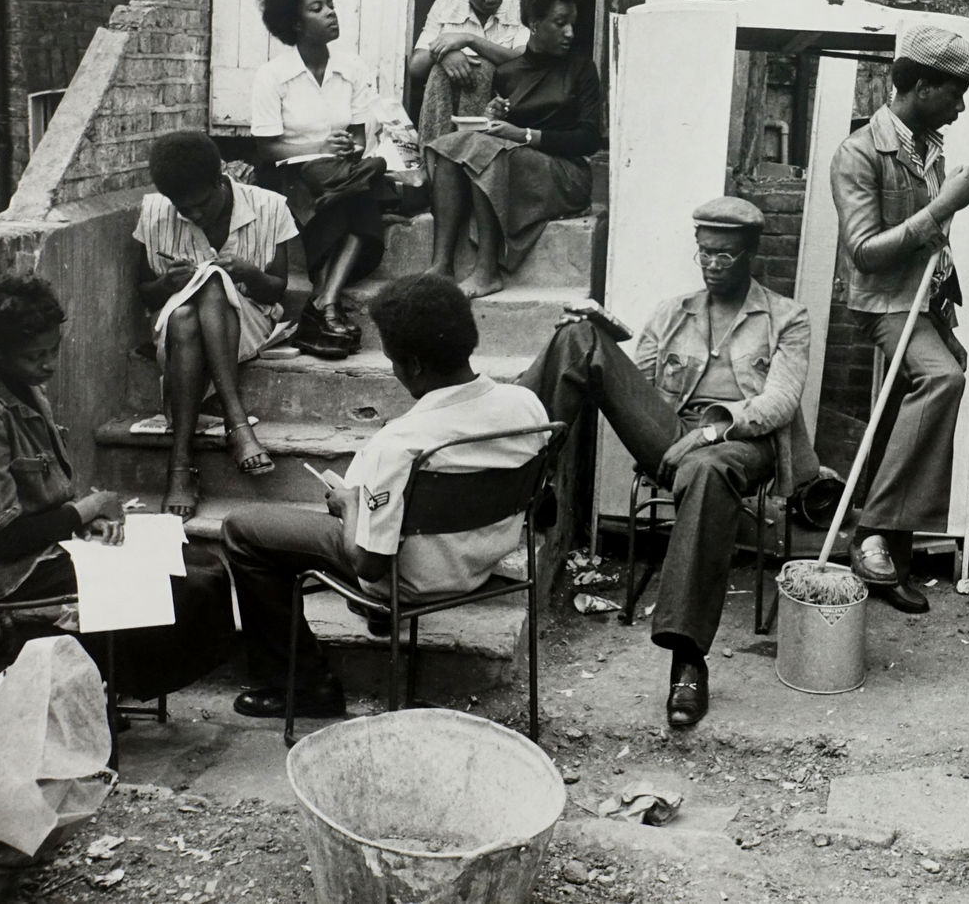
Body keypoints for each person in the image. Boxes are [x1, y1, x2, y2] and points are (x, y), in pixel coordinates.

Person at [517, 197, 817, 728]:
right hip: (675, 435)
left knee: (705, 469)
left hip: (742, 445)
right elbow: (636, 382)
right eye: (705, 253)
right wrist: (606, 332)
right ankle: (524, 469)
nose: (713, 264)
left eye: (726, 255)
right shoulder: (675, 311)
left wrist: (709, 431)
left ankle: (687, 662)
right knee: (578, 335)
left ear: (751, 254)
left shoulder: (787, 318)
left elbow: (779, 404)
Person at [220, 273, 549, 719]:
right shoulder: (526, 406)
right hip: (480, 563)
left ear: (412, 364)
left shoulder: (398, 445)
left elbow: (367, 563)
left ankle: (303, 685)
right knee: (372, 519)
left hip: (408, 580)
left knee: (243, 531)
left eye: (393, 361)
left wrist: (350, 504)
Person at [0, 275, 234, 699]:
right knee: (187, 587)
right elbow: (2, 539)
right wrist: (88, 511)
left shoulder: (23, 383)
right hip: (14, 570)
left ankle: (119, 681)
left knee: (205, 565)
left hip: (51, 543)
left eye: (54, 349)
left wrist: (82, 522)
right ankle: (116, 685)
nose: (50, 364)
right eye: (36, 355)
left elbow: (43, 495)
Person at [829, 24, 969, 614]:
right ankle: (871, 534)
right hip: (885, 304)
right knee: (941, 380)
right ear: (919, 86)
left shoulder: (928, 144)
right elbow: (864, 250)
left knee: (914, 404)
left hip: (928, 300)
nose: (962, 105)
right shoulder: (859, 151)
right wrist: (943, 206)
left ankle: (889, 551)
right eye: (955, 92)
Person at [134, 131, 295, 520]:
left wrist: (250, 274)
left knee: (210, 285)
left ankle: (180, 467)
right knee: (187, 312)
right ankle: (237, 426)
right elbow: (145, 293)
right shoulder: (154, 210)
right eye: (182, 209)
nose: (195, 215)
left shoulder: (270, 206)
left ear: (220, 177)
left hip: (247, 322)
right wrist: (167, 284)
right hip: (176, 329)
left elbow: (278, 289)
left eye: (202, 204)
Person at [424, 0, 602, 300]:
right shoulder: (508, 72)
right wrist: (496, 115)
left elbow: (589, 138)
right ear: (534, 24)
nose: (570, 32)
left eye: (571, 23)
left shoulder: (581, 69)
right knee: (448, 147)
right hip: (519, 166)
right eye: (559, 23)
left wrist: (524, 135)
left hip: (566, 174)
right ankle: (441, 264)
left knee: (488, 153)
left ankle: (487, 269)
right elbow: (503, 131)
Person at [251, 0, 399, 358]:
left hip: (338, 173)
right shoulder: (273, 76)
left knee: (359, 189)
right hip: (287, 172)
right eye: (317, 8)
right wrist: (317, 145)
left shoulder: (350, 68)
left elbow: (358, 136)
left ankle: (323, 301)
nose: (331, 12)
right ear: (295, 24)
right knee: (345, 194)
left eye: (329, 5)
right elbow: (265, 148)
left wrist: (348, 148)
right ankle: (326, 306)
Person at [408, 0, 529, 145]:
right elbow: (416, 67)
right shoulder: (446, 3)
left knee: (482, 69)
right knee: (439, 71)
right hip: (448, 104)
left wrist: (469, 40)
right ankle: (435, 152)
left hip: (501, 105)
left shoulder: (519, 4)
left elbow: (523, 60)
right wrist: (445, 54)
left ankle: (460, 151)